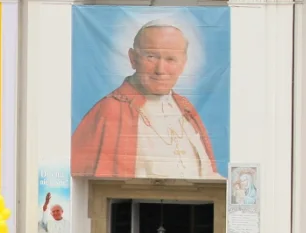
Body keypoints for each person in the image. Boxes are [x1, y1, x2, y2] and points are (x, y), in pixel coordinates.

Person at [71, 20, 218, 178]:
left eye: (170, 59)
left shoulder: (185, 108)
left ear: (183, 64)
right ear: (133, 59)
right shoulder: (109, 110)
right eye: (151, 57)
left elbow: (208, 174)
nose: (160, 70)